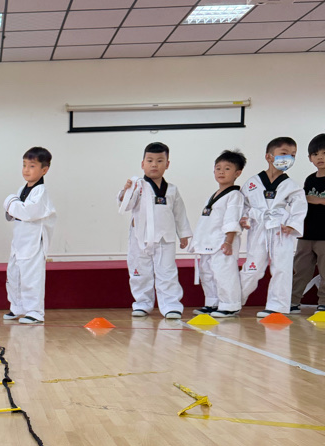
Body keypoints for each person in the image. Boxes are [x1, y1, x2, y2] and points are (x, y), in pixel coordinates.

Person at [118, 141, 191, 318]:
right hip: (140, 239)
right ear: (142, 164)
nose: (154, 165)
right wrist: (126, 191)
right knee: (140, 272)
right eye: (150, 160)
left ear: (167, 164)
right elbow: (125, 205)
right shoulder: (138, 186)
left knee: (167, 273)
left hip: (165, 239)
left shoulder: (172, 190)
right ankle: (142, 303)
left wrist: (183, 234)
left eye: (159, 161)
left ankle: (171, 305)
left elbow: (179, 213)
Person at [239, 136, 307, 317]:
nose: (289, 158)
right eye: (284, 153)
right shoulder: (252, 182)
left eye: (293, 155)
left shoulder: (291, 185)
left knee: (282, 268)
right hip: (259, 228)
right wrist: (244, 218)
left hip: (281, 229)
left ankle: (277, 306)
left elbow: (300, 206)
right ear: (269, 157)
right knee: (252, 268)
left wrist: (292, 225)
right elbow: (242, 204)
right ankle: (232, 302)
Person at [2, 146, 56, 325]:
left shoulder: (41, 192)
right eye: (24, 165)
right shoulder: (21, 189)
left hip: (33, 242)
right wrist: (13, 204)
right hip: (19, 240)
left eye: (32, 166)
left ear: (44, 170)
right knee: (14, 274)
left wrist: (9, 201)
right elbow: (13, 213)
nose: (26, 170)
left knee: (31, 277)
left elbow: (27, 212)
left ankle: (35, 311)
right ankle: (17, 307)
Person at [190, 150, 245, 318]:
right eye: (218, 168)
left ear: (237, 173)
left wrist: (228, 241)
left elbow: (231, 219)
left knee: (224, 274)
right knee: (208, 274)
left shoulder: (235, 195)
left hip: (222, 243)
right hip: (208, 242)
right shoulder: (213, 196)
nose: (221, 172)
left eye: (227, 168)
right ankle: (212, 302)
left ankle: (229, 305)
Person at [290, 133, 325, 314]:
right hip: (306, 233)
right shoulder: (310, 179)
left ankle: (323, 302)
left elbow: (310, 199)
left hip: (324, 236)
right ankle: (293, 301)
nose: (320, 157)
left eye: (324, 153)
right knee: (300, 269)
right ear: (310, 158)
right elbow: (302, 202)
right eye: (315, 154)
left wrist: (316, 200)